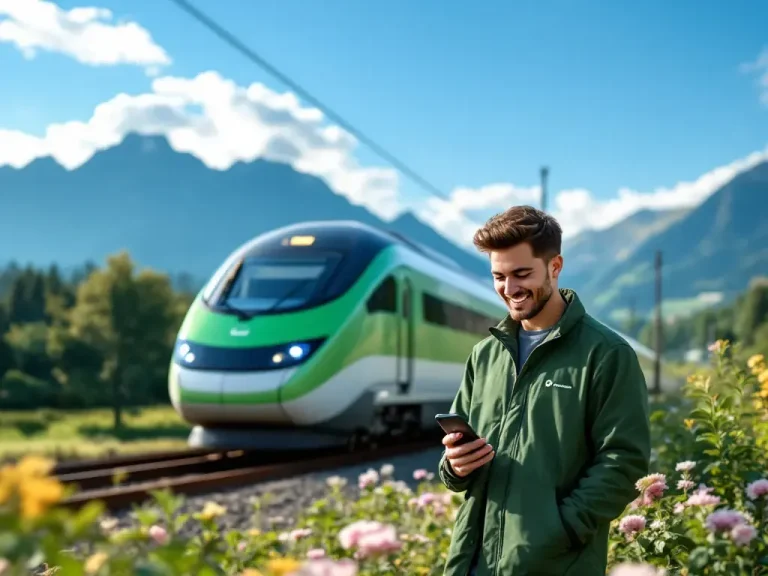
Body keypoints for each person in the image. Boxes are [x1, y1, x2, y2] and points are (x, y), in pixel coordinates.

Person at [437, 206, 651, 576]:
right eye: (499, 276)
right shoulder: (485, 355)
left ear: (555, 267)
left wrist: (559, 529)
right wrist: (454, 466)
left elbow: (623, 462)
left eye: (522, 274)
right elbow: (456, 459)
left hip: (555, 563)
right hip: (474, 563)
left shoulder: (606, 354)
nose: (509, 288)